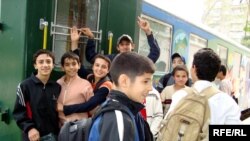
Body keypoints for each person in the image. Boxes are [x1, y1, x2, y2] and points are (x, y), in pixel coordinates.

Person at [88, 52, 155, 141]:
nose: (150, 88)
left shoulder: (130, 110)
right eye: (145, 81)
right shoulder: (119, 119)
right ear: (124, 81)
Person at [166, 48, 241, 124]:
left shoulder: (180, 95)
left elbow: (168, 126)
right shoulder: (229, 103)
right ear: (216, 72)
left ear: (194, 69)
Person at [13, 49, 61, 141]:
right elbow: (19, 113)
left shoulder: (56, 87)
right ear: (35, 65)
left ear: (53, 65)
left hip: (53, 136)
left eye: (48, 62)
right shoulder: (24, 86)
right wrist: (30, 128)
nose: (45, 65)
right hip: (33, 136)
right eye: (41, 62)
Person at [71, 17, 160, 64]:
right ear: (118, 47)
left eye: (127, 44)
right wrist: (91, 38)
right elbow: (92, 57)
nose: (125, 46)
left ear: (132, 46)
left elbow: (155, 53)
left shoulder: (137, 61)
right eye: (122, 44)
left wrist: (148, 31)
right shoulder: (111, 59)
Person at [57, 52, 93, 126]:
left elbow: (92, 109)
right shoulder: (58, 83)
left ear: (79, 65)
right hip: (60, 128)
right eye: (67, 65)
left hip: (79, 128)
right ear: (62, 67)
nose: (71, 67)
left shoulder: (85, 84)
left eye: (74, 64)